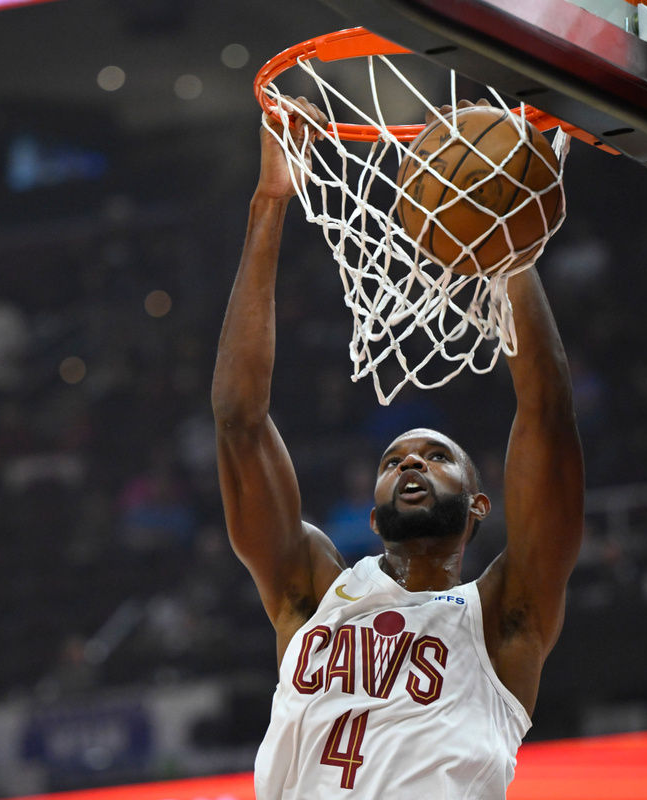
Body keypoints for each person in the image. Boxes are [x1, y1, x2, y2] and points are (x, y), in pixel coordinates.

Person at [211, 97, 586, 798]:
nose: (412, 461)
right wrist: (269, 200)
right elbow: (239, 421)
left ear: (480, 504)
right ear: (374, 517)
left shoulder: (506, 618)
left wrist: (507, 247)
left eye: (437, 456)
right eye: (394, 461)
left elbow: (548, 417)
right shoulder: (314, 592)